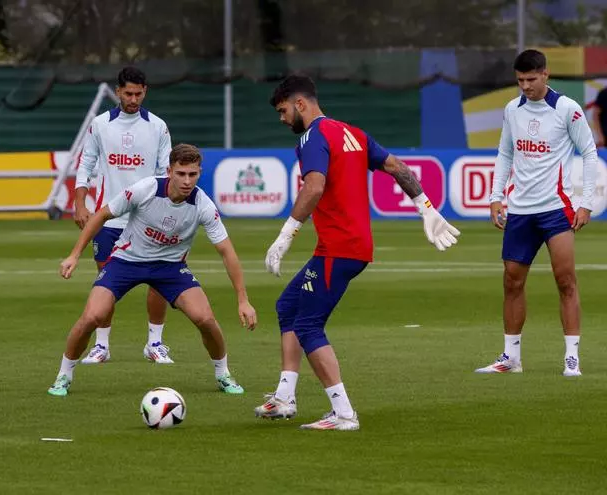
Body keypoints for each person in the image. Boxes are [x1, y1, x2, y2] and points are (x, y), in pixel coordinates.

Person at [255, 75, 460, 430]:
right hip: (348, 246)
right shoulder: (353, 133)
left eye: (283, 110)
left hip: (339, 248)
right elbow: (396, 166)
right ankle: (284, 398)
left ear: (300, 104)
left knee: (308, 324)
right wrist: (426, 206)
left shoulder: (312, 136)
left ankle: (344, 413)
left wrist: (287, 233)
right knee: (287, 306)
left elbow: (314, 187)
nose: (282, 118)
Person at [48, 144, 256, 396]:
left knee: (206, 319)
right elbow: (102, 215)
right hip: (126, 261)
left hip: (170, 268)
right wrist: (74, 255)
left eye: (193, 174)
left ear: (199, 173)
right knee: (92, 316)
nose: (187, 180)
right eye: (181, 174)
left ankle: (223, 373)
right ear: (169, 171)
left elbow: (227, 252)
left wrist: (243, 300)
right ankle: (63, 375)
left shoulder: (203, 205)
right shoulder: (145, 189)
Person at [476, 49, 597, 377]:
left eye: (531, 79)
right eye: (519, 81)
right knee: (512, 282)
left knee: (565, 281)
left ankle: (572, 358)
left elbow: (588, 152)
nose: (525, 86)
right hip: (520, 211)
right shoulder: (512, 109)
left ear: (545, 74)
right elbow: (504, 153)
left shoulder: (567, 109)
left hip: (556, 210)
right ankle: (510, 357)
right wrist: (495, 197)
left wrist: (586, 203)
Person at [73, 66, 174, 364]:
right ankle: (102, 346)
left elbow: (164, 173)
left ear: (145, 92)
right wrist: (80, 203)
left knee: (158, 281)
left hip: (148, 221)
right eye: (128, 93)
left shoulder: (158, 127)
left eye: (138, 93)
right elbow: (86, 164)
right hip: (110, 219)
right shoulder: (100, 125)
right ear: (118, 91)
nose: (133, 99)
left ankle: (155, 343)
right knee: (106, 282)